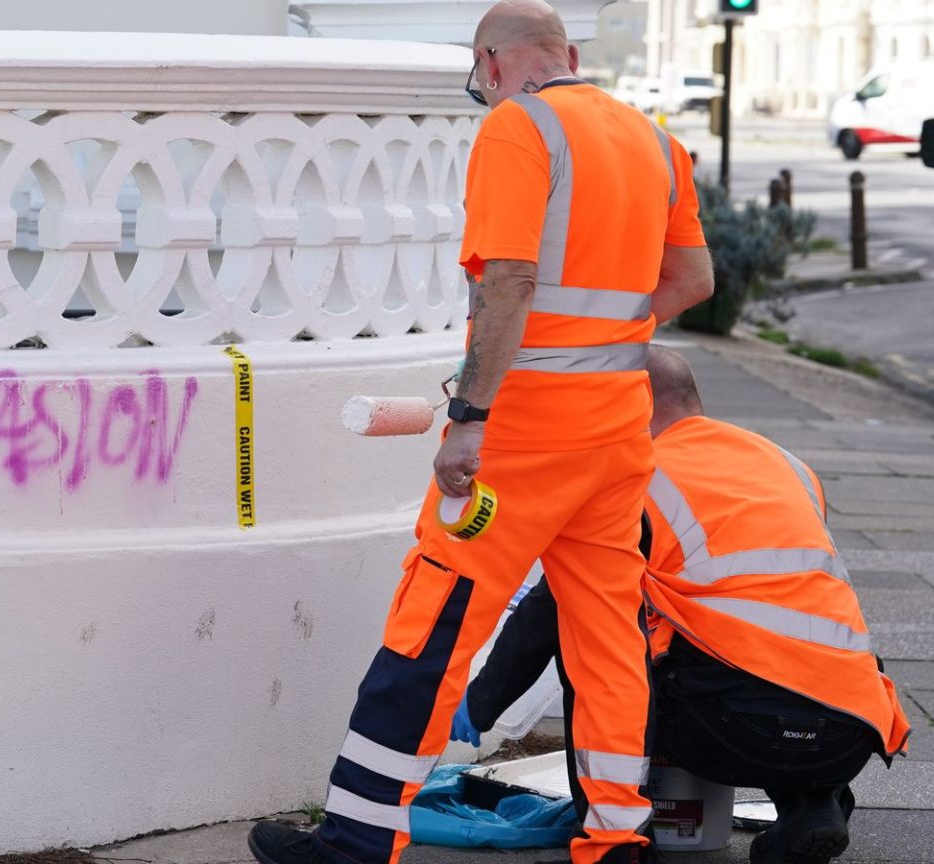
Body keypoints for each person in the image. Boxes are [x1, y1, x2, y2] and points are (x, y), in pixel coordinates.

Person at [246, 1, 715, 863]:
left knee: (435, 617)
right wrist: (601, 340)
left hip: (523, 433)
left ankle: (356, 839)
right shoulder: (654, 141)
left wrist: (469, 416)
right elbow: (692, 278)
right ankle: (617, 835)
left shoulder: (517, 127)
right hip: (617, 430)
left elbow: (510, 280)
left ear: (492, 65)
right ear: (570, 56)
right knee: (607, 635)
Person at [452, 346, 912, 864]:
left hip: (728, 728)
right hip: (849, 731)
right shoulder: (788, 464)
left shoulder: (631, 478)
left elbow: (551, 605)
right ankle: (813, 807)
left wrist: (483, 700)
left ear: (634, 402)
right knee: (785, 652)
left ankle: (615, 830)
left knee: (589, 628)